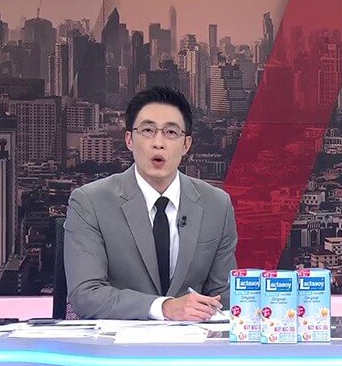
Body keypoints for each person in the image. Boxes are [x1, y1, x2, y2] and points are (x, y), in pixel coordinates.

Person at [64, 86, 237, 321]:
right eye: (147, 130)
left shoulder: (217, 205)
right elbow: (86, 295)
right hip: (118, 342)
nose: (158, 143)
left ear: (186, 145)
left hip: (192, 341)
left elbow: (223, 296)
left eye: (171, 132)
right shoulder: (90, 202)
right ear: (129, 139)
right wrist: (164, 308)